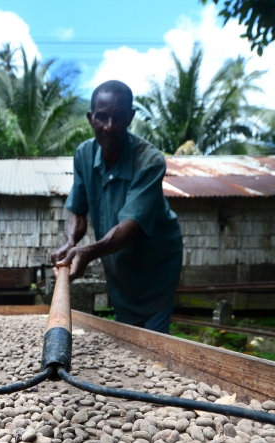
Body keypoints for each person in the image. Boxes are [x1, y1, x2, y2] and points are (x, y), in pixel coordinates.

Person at [51, 80, 184, 334]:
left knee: (153, 341)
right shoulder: (84, 155)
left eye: (118, 117)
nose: (109, 127)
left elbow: (129, 227)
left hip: (156, 265)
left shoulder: (149, 160)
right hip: (120, 265)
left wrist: (88, 252)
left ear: (131, 117)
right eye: (102, 117)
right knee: (128, 335)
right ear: (91, 118)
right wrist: (70, 243)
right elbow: (78, 212)